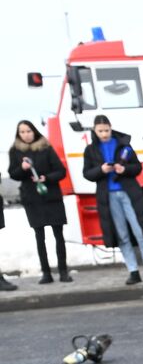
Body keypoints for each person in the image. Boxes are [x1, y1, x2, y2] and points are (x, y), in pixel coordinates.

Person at [82, 116, 143, 286]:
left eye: (106, 130)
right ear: (95, 131)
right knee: (122, 235)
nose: (104, 134)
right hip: (108, 196)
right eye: (100, 131)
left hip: (129, 193)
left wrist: (123, 169)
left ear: (111, 129)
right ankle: (133, 271)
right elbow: (87, 174)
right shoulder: (91, 150)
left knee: (141, 231)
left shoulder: (124, 145)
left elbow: (138, 167)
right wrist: (101, 170)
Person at [8, 120, 69, 284]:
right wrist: (23, 169)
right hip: (32, 199)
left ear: (34, 131)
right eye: (22, 132)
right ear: (18, 134)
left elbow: (61, 171)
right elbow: (13, 173)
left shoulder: (46, 147)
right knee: (39, 236)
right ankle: (46, 273)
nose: (26, 134)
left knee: (58, 235)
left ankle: (63, 271)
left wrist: (46, 178)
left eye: (28, 131)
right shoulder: (15, 151)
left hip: (51, 196)